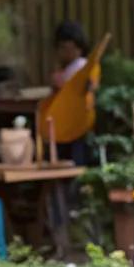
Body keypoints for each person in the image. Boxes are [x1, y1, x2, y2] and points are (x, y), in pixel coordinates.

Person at [46, 19, 96, 168]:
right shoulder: (69, 67)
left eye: (66, 48)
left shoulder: (80, 66)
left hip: (75, 127)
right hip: (65, 126)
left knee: (75, 164)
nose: (62, 53)